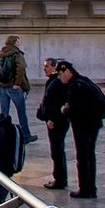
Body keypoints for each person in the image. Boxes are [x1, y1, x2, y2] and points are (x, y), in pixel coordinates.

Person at [57, 60, 105, 198]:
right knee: (89, 156)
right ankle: (90, 188)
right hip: (94, 123)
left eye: (61, 74)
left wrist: (65, 110)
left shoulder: (76, 86)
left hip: (83, 125)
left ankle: (85, 189)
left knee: (83, 156)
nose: (59, 77)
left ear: (68, 71)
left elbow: (76, 109)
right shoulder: (84, 81)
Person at [0, 36, 35, 145]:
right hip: (13, 87)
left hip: (1, 87)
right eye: (18, 41)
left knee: (4, 113)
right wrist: (17, 83)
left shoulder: (0, 54)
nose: (19, 43)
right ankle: (26, 135)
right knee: (21, 112)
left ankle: (3, 133)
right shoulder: (17, 54)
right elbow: (21, 68)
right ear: (14, 43)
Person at [34, 57, 69, 190]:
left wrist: (51, 119)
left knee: (57, 150)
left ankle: (60, 179)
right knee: (57, 150)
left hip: (56, 122)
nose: (44, 69)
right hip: (56, 120)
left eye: (47, 66)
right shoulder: (54, 81)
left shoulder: (56, 82)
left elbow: (55, 103)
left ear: (55, 68)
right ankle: (60, 178)